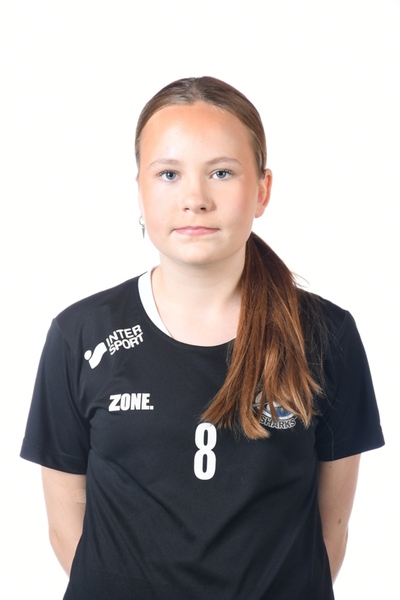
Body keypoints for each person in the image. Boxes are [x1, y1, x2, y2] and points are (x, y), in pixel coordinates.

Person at [21, 76, 384, 600]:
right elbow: (65, 525)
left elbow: (332, 528)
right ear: (140, 189)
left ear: (262, 190)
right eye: (168, 174)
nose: (195, 198)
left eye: (221, 172)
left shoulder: (325, 335)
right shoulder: (79, 334)